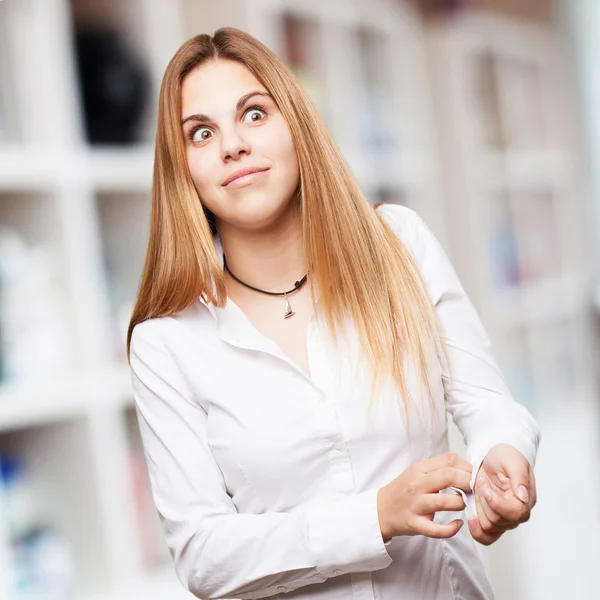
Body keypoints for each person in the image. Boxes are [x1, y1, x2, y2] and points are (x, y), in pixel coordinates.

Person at [127, 27, 541, 600]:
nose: (232, 145)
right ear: (183, 172)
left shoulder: (398, 242)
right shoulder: (166, 344)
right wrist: (373, 517)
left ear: (296, 124)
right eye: (201, 132)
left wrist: (503, 453)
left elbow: (487, 402)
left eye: (253, 114)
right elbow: (204, 556)